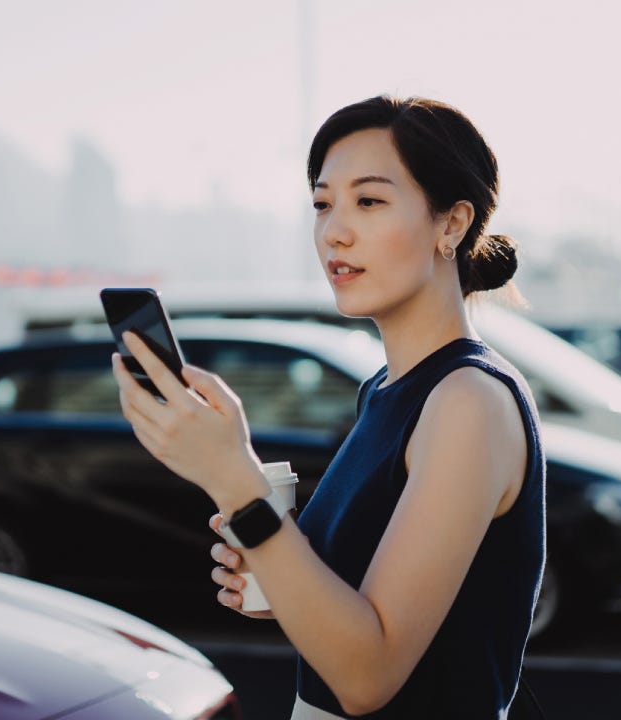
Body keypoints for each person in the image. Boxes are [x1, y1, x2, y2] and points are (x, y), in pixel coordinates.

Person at [111, 95, 546, 719]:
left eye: (369, 201)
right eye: (322, 204)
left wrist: (235, 482)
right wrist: (276, 576)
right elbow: (353, 613)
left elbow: (367, 676)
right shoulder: (386, 390)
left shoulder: (468, 401)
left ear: (451, 224)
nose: (334, 230)